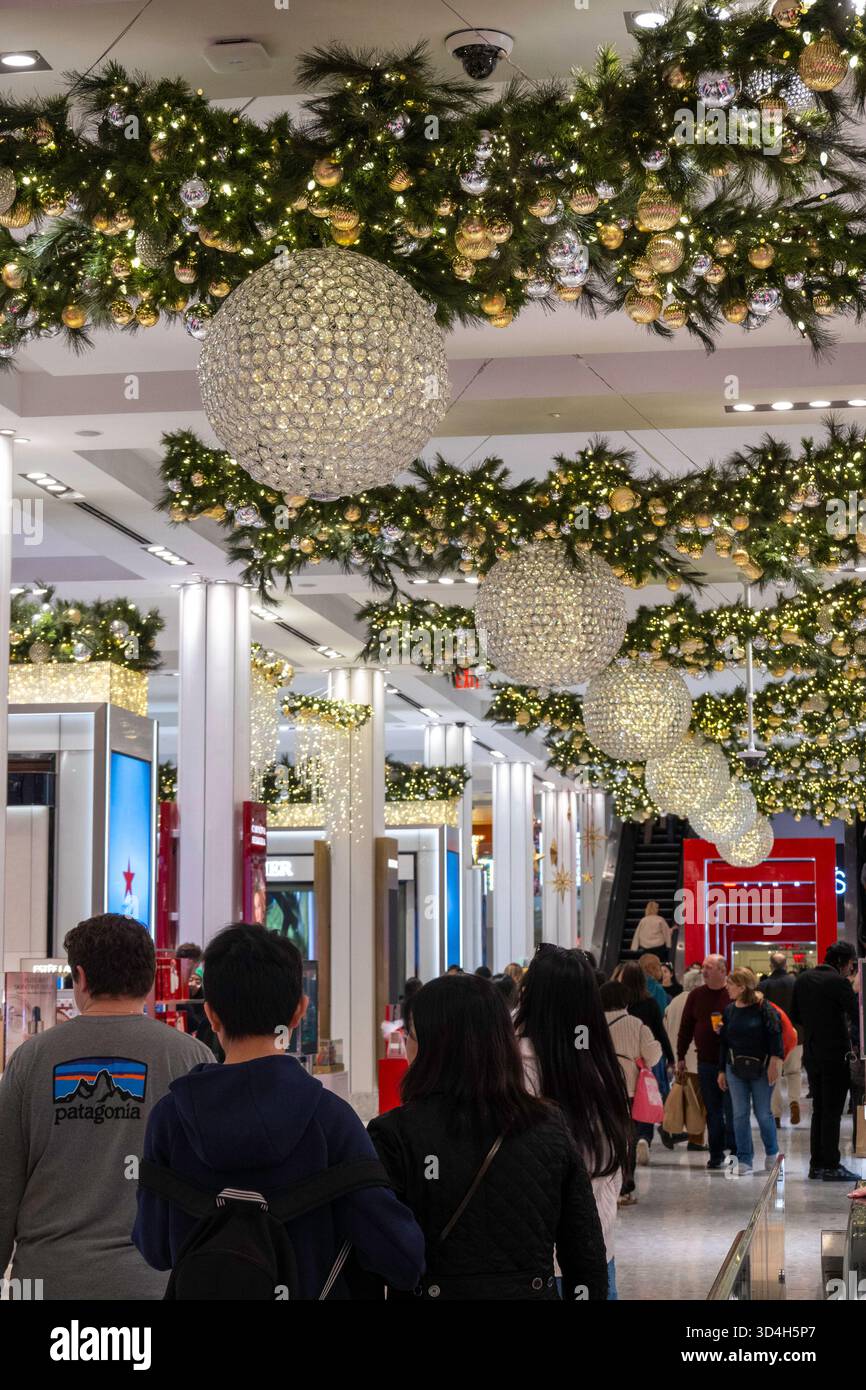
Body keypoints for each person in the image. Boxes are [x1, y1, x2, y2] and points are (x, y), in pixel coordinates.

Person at [134, 924, 425, 1298]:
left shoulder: (170, 1118)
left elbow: (155, 1248)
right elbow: (400, 1255)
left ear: (210, 1015)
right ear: (299, 1012)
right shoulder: (331, 1119)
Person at [0, 913, 214, 1299]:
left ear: (79, 977)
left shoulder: (29, 1060)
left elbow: (5, 1183)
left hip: (47, 1282)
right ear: (150, 979)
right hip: (155, 1282)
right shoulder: (191, 1059)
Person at [368, 974, 608, 1300]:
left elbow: (377, 1253)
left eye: (410, 1034)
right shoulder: (550, 1126)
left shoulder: (394, 1134)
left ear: (430, 1045)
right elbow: (585, 1252)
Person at [514, 946, 632, 1299]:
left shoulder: (516, 1063)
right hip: (595, 1248)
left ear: (532, 995)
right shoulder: (600, 1064)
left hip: (533, 1255)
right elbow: (611, 1160)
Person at [791, 940, 860, 1182]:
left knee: (819, 1109)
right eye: (851, 965)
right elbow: (857, 1015)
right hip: (835, 1054)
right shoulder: (839, 983)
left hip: (811, 1053)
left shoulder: (803, 980)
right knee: (832, 1111)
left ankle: (817, 1163)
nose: (851, 970)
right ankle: (831, 1164)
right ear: (842, 963)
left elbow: (795, 1015)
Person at [600, 979, 662, 1207]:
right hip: (629, 1089)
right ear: (626, 1001)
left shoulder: (586, 1025)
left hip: (600, 1089)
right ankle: (625, 1189)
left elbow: (580, 1052)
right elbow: (653, 1055)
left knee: (604, 1136)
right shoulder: (637, 1024)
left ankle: (602, 1184)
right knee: (628, 1138)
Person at [718, 968, 783, 1176]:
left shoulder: (764, 1007)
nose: (726, 987)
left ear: (742, 986)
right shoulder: (729, 1010)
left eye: (730, 984)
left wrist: (774, 1062)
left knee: (763, 1113)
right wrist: (721, 1070)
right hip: (734, 1067)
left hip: (762, 1068)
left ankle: (772, 1153)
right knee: (739, 1114)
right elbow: (724, 1043)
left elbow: (775, 1035)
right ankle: (744, 1159)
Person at [676, 955, 736, 1170]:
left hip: (731, 1063)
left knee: (732, 1110)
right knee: (712, 1110)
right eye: (703, 967)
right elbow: (685, 1027)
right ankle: (716, 1154)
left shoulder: (732, 993)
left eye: (709, 967)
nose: (704, 970)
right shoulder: (696, 995)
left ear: (722, 970)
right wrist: (680, 1056)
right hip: (706, 1062)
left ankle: (736, 1152)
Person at [614, 960, 672, 1165]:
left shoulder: (617, 1005)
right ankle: (644, 1137)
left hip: (620, 1062)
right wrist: (672, 1058)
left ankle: (627, 1139)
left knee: (624, 1103)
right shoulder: (650, 1003)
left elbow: (586, 1034)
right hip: (646, 1061)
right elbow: (660, 1034)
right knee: (645, 1099)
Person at [664, 968, 706, 1152]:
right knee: (697, 1104)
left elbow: (666, 1028)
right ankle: (696, 1140)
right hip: (695, 1059)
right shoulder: (699, 1001)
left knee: (684, 1100)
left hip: (677, 1057)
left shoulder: (673, 1002)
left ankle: (680, 1133)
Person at [761, 953, 803, 1128]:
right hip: (796, 1035)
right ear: (786, 965)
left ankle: (776, 1115)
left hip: (773, 1037)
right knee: (794, 1072)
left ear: (770, 966)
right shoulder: (796, 984)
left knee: (774, 1076)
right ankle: (794, 1102)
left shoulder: (763, 985)